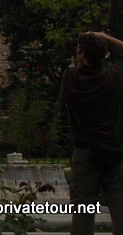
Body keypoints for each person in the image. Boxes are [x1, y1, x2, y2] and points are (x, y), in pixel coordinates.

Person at [59, 31, 123, 235]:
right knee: (119, 202)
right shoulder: (114, 77)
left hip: (84, 150)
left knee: (82, 207)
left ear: (81, 54)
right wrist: (104, 36)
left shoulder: (71, 77)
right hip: (113, 149)